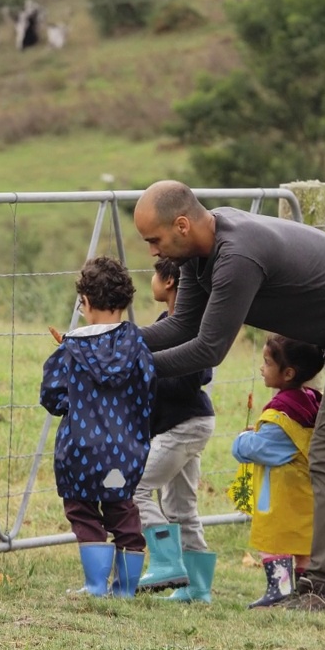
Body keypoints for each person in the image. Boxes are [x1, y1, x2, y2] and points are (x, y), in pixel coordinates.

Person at [132, 180, 325, 614]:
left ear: (183, 225)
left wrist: (133, 367)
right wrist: (113, 342)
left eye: (154, 240)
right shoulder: (199, 252)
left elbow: (209, 348)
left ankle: (323, 589)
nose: (153, 251)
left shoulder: (236, 257)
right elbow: (182, 326)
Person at [40, 256, 155, 598]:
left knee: (83, 509)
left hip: (82, 449)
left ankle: (95, 585)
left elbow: (51, 396)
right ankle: (126, 589)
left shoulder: (72, 349)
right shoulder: (137, 344)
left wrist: (74, 403)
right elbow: (149, 390)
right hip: (125, 449)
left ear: (85, 302)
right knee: (123, 509)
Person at [133, 257, 218, 603]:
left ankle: (167, 562)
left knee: (134, 490)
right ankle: (198, 589)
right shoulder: (167, 323)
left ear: (169, 281)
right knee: (182, 508)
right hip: (190, 424)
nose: (152, 280)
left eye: (155, 273)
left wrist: (144, 377)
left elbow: (187, 381)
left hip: (183, 425)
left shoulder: (191, 327)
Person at [231, 334, 325, 608]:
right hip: (306, 491)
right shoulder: (311, 402)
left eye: (267, 362)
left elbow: (259, 448)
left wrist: (242, 440)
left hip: (281, 495)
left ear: (288, 373)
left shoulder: (282, 412)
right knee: (303, 546)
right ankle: (307, 592)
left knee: (275, 541)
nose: (262, 368)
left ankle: (280, 589)